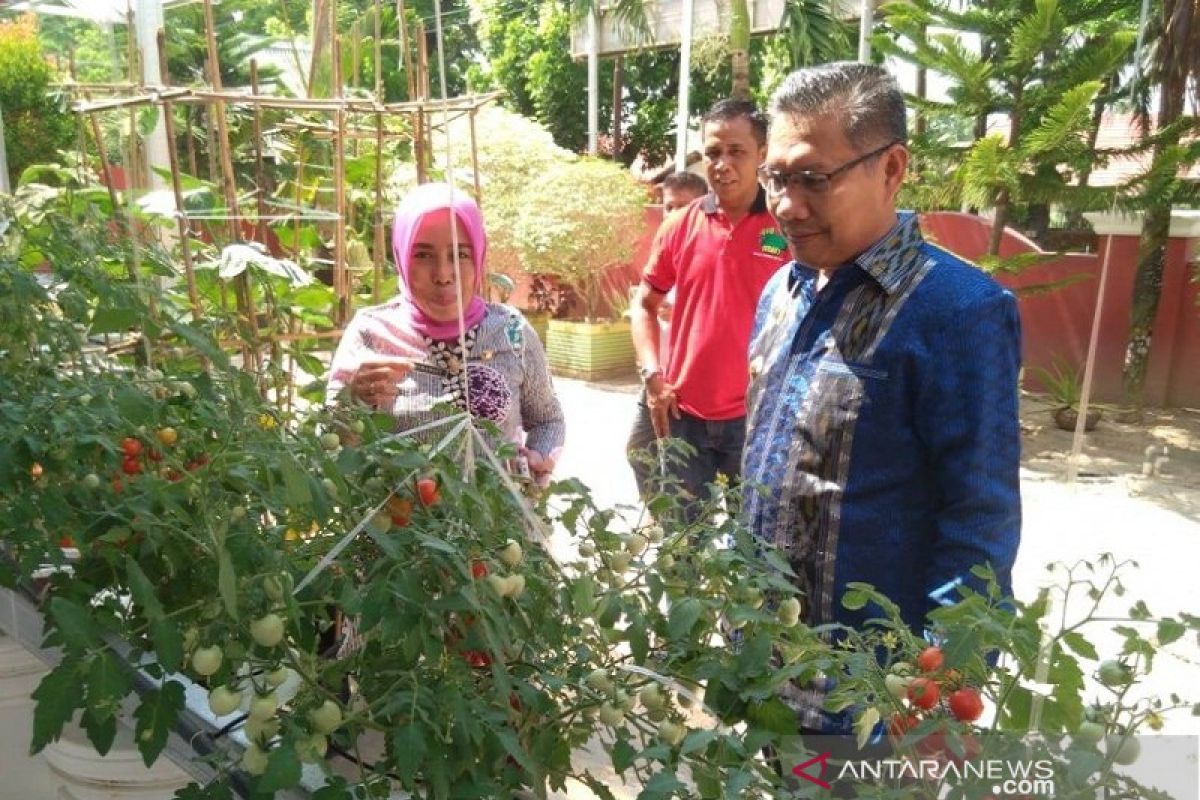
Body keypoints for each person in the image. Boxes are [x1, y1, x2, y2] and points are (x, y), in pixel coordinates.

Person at [743, 63, 1021, 733]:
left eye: (813, 178)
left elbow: (978, 521)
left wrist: (938, 693)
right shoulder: (782, 293)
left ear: (891, 168)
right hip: (762, 671)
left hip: (867, 704)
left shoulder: (959, 312)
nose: (786, 203)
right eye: (775, 178)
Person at [326, 182, 564, 484]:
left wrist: (539, 458)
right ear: (400, 255)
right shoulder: (371, 333)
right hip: (402, 527)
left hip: (499, 526)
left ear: (478, 256)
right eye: (423, 255)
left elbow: (548, 420)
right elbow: (332, 439)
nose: (442, 274)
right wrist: (353, 401)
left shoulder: (511, 331)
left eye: (459, 255)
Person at [628, 100, 790, 514]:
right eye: (713, 153)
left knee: (753, 552)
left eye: (737, 151)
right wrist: (653, 377)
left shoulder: (787, 229)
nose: (723, 164)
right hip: (684, 418)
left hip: (754, 421)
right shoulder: (680, 225)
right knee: (681, 549)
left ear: (762, 155)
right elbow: (644, 304)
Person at [625, 171, 709, 500]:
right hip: (656, 380)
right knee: (638, 451)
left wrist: (682, 313)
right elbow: (642, 307)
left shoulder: (710, 251)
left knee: (688, 475)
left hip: (691, 390)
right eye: (668, 207)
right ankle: (660, 517)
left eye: (684, 207)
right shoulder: (664, 251)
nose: (675, 215)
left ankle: (690, 534)